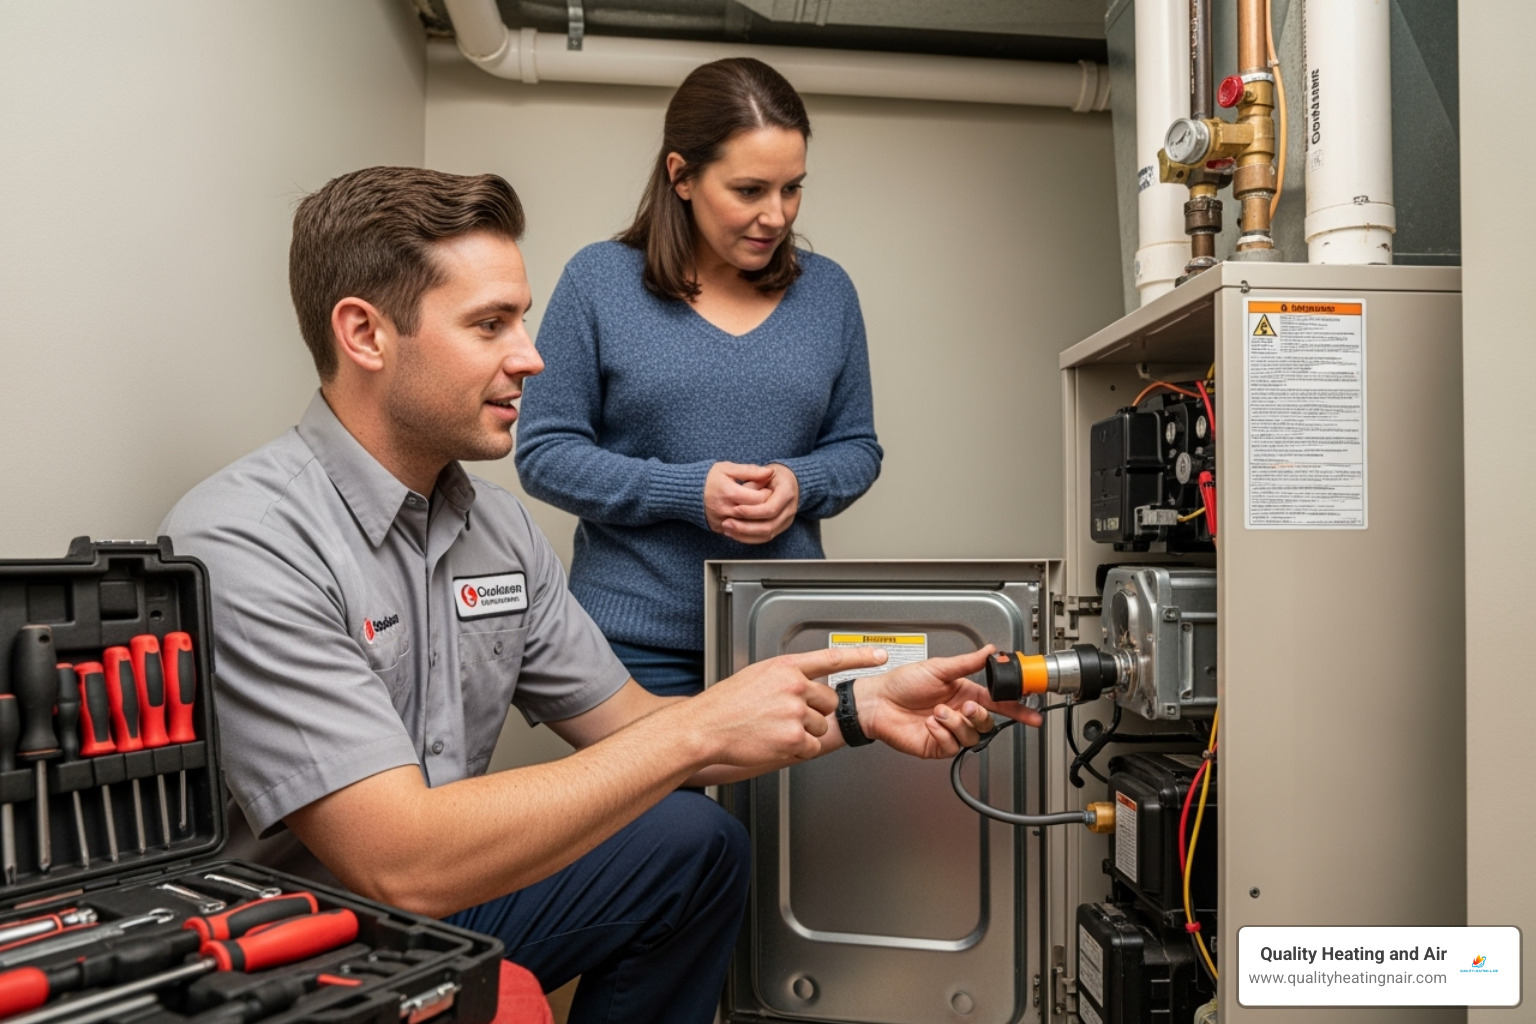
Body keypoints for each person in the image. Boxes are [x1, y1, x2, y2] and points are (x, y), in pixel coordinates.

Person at [160, 165, 1038, 1024]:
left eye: (522, 319)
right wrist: (698, 729)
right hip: (289, 943)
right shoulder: (249, 539)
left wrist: (860, 705)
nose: (531, 357)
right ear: (365, 334)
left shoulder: (495, 531)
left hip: (438, 905)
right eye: (490, 324)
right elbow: (402, 861)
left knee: (694, 844)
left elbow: (631, 726)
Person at [515, 58, 882, 697]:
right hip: (631, 646)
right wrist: (684, 491)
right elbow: (544, 454)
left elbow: (857, 448)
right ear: (681, 176)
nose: (777, 216)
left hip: (784, 635)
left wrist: (800, 483)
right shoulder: (597, 282)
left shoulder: (828, 293)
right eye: (750, 190)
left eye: (792, 188)